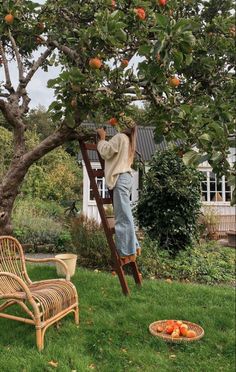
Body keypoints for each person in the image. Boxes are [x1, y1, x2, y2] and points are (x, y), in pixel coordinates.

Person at [97, 114, 141, 265]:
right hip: (126, 178)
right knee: (125, 215)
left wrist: (102, 139)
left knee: (122, 218)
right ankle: (134, 246)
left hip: (120, 179)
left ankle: (127, 252)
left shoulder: (120, 137)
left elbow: (105, 152)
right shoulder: (129, 140)